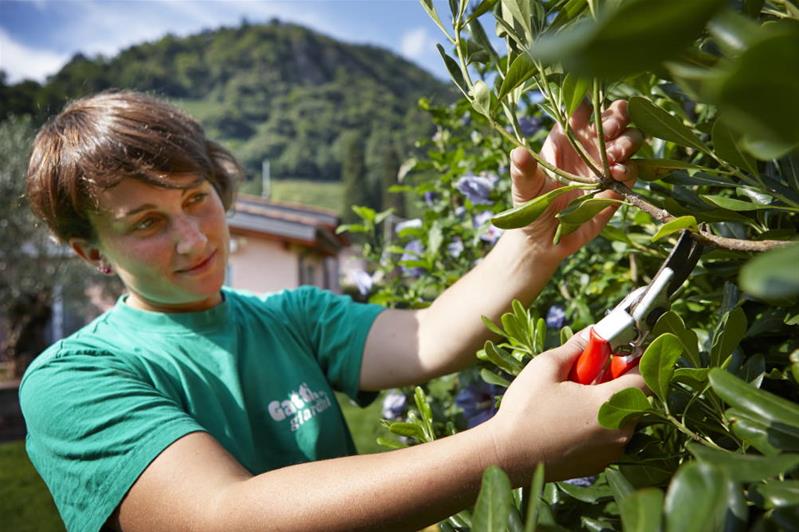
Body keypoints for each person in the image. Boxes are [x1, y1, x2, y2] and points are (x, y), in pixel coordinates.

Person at [20, 90, 644, 531]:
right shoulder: (73, 380)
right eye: (148, 221)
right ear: (90, 251)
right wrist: (507, 449)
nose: (195, 238)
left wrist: (532, 241)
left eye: (196, 198)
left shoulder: (295, 316)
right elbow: (220, 516)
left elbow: (431, 335)